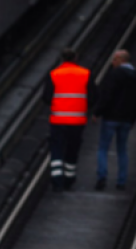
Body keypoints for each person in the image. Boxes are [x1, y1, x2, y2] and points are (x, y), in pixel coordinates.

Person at [46, 48, 96, 191]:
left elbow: (46, 97)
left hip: (58, 120)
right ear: (76, 58)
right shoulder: (85, 74)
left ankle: (56, 180)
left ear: (62, 59)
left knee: (56, 148)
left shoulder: (54, 74)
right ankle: (69, 179)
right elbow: (93, 97)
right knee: (72, 149)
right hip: (77, 121)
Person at [94, 50, 136, 190]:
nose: (112, 62)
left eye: (114, 59)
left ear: (121, 60)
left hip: (111, 117)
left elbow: (107, 95)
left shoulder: (114, 75)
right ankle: (121, 181)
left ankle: (102, 177)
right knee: (122, 150)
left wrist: (97, 112)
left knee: (103, 148)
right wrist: (133, 119)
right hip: (126, 119)